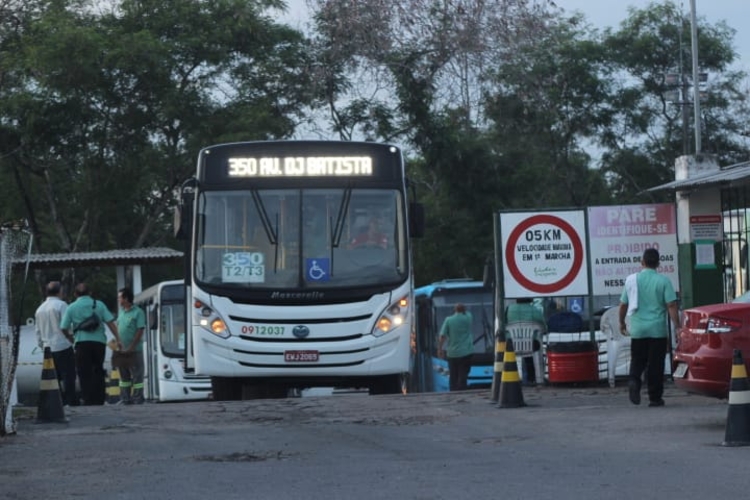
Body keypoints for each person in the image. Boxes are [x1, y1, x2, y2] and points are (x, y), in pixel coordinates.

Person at [619, 248, 681, 407]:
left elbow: (623, 304)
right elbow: (672, 305)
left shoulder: (632, 280)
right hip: (657, 330)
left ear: (642, 262)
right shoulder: (663, 281)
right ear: (658, 263)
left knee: (637, 360)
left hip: (638, 330)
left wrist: (622, 322)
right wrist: (677, 326)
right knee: (655, 364)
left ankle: (634, 380)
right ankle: (655, 398)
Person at [61, 283, 121, 406]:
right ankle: (99, 399)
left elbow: (63, 327)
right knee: (98, 369)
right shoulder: (99, 305)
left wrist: (70, 337)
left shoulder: (71, 307)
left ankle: (88, 399)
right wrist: (118, 338)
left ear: (75, 294)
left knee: (84, 372)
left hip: (81, 343)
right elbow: (110, 322)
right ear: (90, 293)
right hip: (98, 342)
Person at [34, 281, 78, 406]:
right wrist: (72, 340)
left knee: (53, 377)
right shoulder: (62, 305)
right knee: (68, 375)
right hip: (63, 345)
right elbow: (67, 325)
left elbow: (37, 331)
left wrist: (42, 345)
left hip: (48, 348)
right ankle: (71, 401)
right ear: (59, 292)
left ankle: (59, 402)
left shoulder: (39, 309)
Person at [115, 287, 147, 404]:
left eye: (120, 297)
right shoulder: (122, 313)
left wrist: (132, 347)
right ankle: (125, 398)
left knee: (137, 376)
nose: (118, 299)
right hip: (122, 350)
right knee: (124, 377)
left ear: (126, 298)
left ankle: (138, 398)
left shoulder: (138, 312)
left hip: (134, 350)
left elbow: (140, 330)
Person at [505, 298, 546, 385]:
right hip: (530, 345)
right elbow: (543, 327)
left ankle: (515, 377)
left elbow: (503, 325)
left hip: (512, 345)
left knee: (521, 348)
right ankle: (534, 379)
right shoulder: (535, 310)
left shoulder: (509, 309)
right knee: (533, 350)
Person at [437, 303, 474, 391]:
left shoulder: (448, 320)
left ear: (454, 310)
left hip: (452, 353)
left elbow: (442, 336)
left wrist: (440, 349)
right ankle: (462, 390)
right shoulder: (468, 318)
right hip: (466, 352)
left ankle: (453, 392)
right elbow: (467, 313)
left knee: (453, 375)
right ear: (464, 310)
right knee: (463, 374)